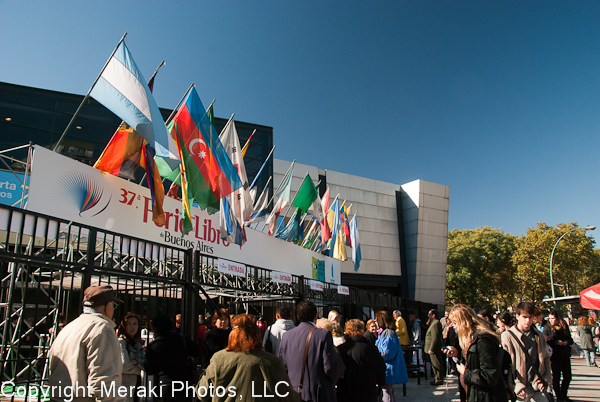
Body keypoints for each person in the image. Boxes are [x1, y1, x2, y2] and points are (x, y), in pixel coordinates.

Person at [197, 314, 299, 402]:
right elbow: (289, 397)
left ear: (233, 335)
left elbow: (202, 393)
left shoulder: (218, 359)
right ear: (257, 335)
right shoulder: (273, 362)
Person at [48, 285, 123, 402]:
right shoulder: (102, 328)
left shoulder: (70, 327)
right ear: (108, 306)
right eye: (114, 305)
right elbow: (103, 382)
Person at [278, 300, 340, 402]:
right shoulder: (323, 335)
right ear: (316, 316)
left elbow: (282, 366)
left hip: (293, 392)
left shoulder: (286, 336)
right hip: (317, 393)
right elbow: (330, 367)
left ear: (297, 317)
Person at [446, 304, 508, 402]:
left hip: (486, 396)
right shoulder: (470, 340)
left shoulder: (483, 340)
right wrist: (457, 354)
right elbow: (474, 361)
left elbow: (490, 375)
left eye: (455, 323)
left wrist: (465, 373)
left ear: (463, 323)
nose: (454, 327)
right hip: (474, 394)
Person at [501, 301, 552, 402]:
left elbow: (546, 359)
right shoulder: (508, 336)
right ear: (517, 316)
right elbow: (506, 365)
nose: (528, 321)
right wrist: (516, 384)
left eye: (530, 317)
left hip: (537, 386)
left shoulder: (539, 335)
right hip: (520, 388)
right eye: (524, 317)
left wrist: (545, 380)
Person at [145, 315, 196, 401]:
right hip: (184, 383)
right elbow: (197, 351)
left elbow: (149, 369)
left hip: (165, 383)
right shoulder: (181, 338)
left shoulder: (154, 346)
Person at [336, 319, 386, 402]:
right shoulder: (371, 348)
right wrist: (380, 384)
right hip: (367, 390)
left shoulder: (341, 349)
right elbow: (380, 367)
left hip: (345, 390)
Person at [375, 310, 408, 402]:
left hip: (388, 367)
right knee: (389, 392)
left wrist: (377, 356)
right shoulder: (387, 332)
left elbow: (388, 352)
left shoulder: (388, 333)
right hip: (388, 367)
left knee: (387, 393)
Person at [118, 313, 145, 402]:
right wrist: (139, 370)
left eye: (135, 323)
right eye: (129, 323)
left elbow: (145, 363)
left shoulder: (137, 344)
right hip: (124, 386)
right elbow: (124, 365)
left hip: (137, 385)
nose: (132, 327)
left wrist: (136, 361)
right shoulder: (121, 342)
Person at [547, 310, 573, 402]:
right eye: (550, 318)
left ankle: (563, 394)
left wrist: (566, 342)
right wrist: (555, 342)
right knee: (556, 377)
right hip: (555, 356)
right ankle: (559, 396)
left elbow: (571, 340)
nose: (551, 320)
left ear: (557, 318)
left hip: (565, 355)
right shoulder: (548, 328)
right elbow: (547, 341)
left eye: (553, 318)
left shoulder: (564, 326)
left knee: (568, 376)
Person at [425, 309, 445, 386]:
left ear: (433, 315)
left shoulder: (436, 323)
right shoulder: (433, 323)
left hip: (434, 348)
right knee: (434, 364)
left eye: (429, 314)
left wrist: (432, 348)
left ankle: (439, 378)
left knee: (436, 363)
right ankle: (437, 378)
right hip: (432, 348)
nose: (428, 316)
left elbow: (435, 337)